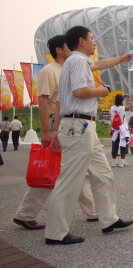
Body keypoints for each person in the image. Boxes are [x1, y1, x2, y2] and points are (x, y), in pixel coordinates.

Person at [44, 26, 133, 245]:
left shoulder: (78, 62)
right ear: (82, 41)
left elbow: (97, 64)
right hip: (78, 126)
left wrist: (121, 59)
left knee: (103, 173)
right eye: (92, 39)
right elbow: (79, 91)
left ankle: (109, 219)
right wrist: (102, 92)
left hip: (83, 127)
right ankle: (55, 233)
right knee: (69, 180)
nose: (95, 43)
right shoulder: (76, 62)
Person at [13, 35, 101, 231]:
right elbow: (43, 101)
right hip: (58, 123)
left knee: (76, 168)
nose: (72, 49)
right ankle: (25, 213)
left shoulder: (69, 68)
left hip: (71, 123)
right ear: (59, 50)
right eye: (67, 47)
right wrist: (46, 131)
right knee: (54, 169)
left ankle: (93, 211)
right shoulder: (49, 71)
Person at [109, 94, 133, 167]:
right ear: (122, 100)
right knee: (123, 145)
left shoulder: (112, 108)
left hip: (115, 129)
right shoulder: (123, 108)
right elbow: (130, 106)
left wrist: (110, 129)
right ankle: (122, 162)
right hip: (122, 129)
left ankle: (114, 161)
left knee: (114, 145)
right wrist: (129, 98)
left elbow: (112, 119)